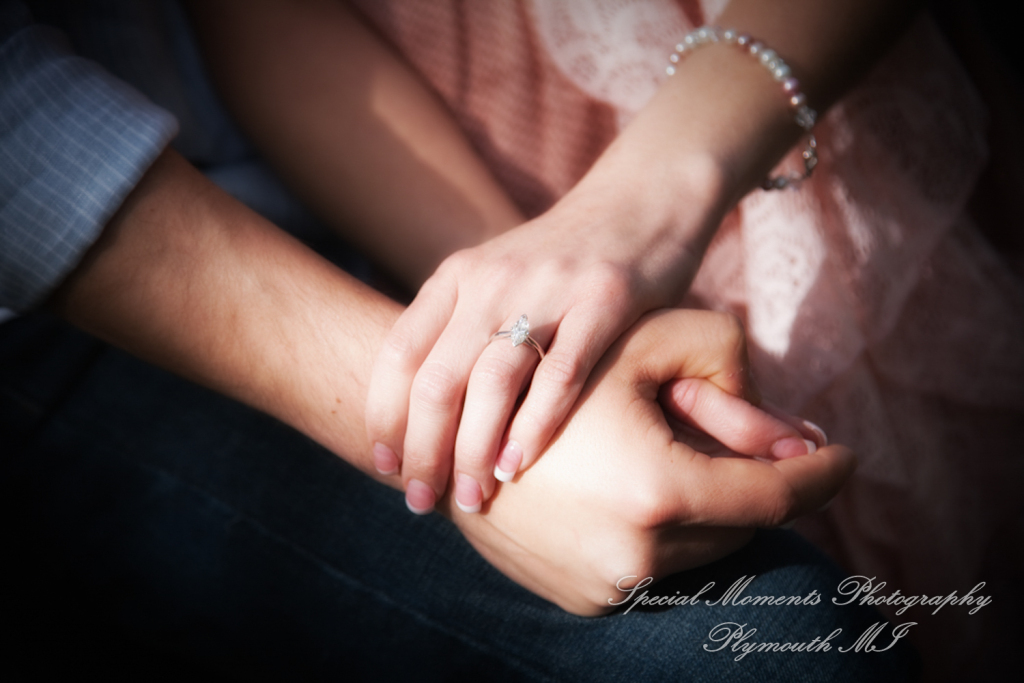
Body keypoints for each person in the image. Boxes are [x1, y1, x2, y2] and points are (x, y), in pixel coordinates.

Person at [1, 0, 920, 680]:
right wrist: (488, 396)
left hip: (682, 158)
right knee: (781, 648)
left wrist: (614, 229)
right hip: (75, 305)